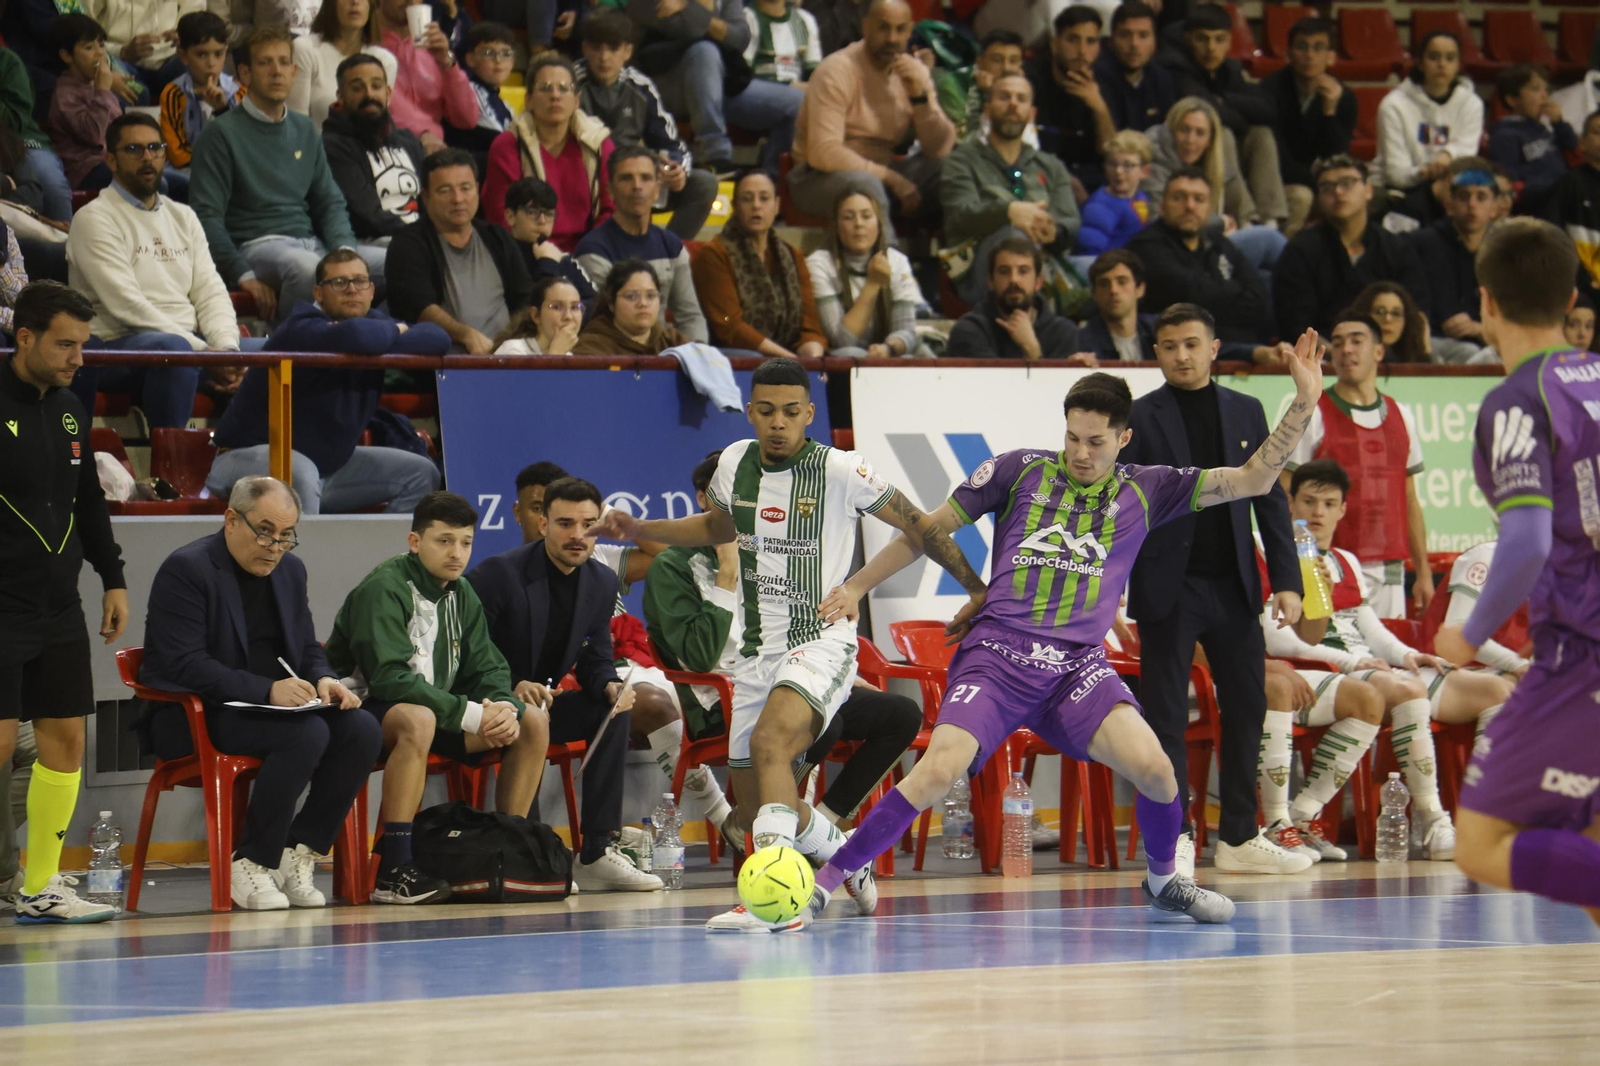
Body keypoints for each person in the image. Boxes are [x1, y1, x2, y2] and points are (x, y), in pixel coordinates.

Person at [806, 340, 1327, 925]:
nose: (1081, 452)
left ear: (1123, 439)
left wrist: (1304, 401)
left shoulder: (1148, 488)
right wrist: (855, 587)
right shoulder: (1018, 469)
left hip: (1076, 669)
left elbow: (1255, 479)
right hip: (998, 654)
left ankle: (1164, 882)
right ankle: (829, 877)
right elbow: (924, 530)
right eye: (1073, 438)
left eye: (1096, 442)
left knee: (1157, 769)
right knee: (938, 768)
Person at [586, 356, 989, 931]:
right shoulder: (731, 463)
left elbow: (922, 526)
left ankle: (773, 906)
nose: (778, 423)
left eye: (791, 413)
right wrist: (641, 529)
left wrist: (972, 588)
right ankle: (845, 853)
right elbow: (718, 530)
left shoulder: (842, 470)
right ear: (751, 412)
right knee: (759, 809)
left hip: (821, 638)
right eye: (767, 411)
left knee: (775, 740)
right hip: (755, 652)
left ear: (809, 414)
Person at [1429, 217, 1600, 918]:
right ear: (1569, 301)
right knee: (1585, 841)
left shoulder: (1519, 401)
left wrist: (1467, 637)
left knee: (1480, 844)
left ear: (1487, 303)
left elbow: (1525, 543)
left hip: (1580, 655)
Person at [643, 450, 920, 856]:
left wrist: (835, 675)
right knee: (823, 721)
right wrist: (727, 573)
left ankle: (820, 829)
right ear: (708, 500)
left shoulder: (778, 554)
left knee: (900, 714)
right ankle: (778, 829)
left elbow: (811, 627)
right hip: (722, 695)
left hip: (790, 672)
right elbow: (700, 657)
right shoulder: (672, 566)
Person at [1117, 302, 1310, 875]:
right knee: (1167, 717)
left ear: (1214, 348)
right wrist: (1111, 591)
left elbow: (1271, 500)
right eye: (1170, 346)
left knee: (1248, 707)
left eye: (1192, 344)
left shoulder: (1246, 409)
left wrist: (1289, 581)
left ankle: (1238, 837)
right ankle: (1173, 837)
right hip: (1166, 588)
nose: (1181, 355)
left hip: (1234, 585)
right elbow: (1121, 509)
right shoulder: (1140, 417)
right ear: (1156, 353)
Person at [140, 477, 383, 910]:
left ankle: (299, 851)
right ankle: (250, 860)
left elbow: (308, 646)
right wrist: (266, 689)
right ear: (231, 519)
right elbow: (184, 664)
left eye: (286, 535)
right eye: (265, 531)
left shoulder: (291, 570)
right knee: (306, 734)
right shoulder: (188, 569)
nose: (274, 545)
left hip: (276, 709)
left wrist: (324, 678)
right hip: (199, 712)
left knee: (362, 728)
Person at [1267, 456, 1516, 862]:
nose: (1318, 512)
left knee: (1496, 689)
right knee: (1406, 688)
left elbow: (1369, 627)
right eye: (1309, 501)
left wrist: (1409, 653)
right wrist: (1353, 664)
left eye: (1329, 504)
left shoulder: (1345, 561)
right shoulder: (1273, 552)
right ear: (1290, 503)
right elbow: (1278, 638)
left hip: (1369, 665)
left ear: (1342, 510)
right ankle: (1435, 821)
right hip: (1326, 669)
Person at [326, 491, 544, 904]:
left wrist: (502, 707)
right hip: (364, 710)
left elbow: (490, 668)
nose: (456, 553)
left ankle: (507, 852)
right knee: (418, 719)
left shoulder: (462, 593)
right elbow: (388, 679)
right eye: (444, 541)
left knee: (532, 720)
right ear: (415, 542)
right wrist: (468, 713)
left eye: (465, 542)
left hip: (437, 708)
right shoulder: (383, 587)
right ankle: (395, 869)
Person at [0, 281, 129, 924]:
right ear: (24, 337)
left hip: (58, 608)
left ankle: (41, 885)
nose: (79, 357)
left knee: (67, 743)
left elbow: (89, 502)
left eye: (84, 345)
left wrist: (112, 576)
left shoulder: (74, 409)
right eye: (66, 344)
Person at [467, 477, 664, 891]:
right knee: (532, 720)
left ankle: (596, 849)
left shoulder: (601, 581)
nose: (578, 535)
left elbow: (595, 659)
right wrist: (512, 685)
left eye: (588, 524)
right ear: (542, 525)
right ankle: (534, 849)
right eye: (565, 524)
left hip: (543, 706)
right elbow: (466, 652)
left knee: (610, 711)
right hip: (488, 706)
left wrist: (610, 684)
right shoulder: (498, 575)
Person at [209, 248, 449, 513]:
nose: (351, 289)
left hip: (325, 468)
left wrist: (385, 332)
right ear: (318, 293)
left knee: (420, 473)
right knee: (301, 471)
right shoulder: (302, 327)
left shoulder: (373, 326)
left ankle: (386, 555)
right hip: (243, 459)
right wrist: (397, 329)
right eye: (339, 282)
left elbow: (437, 338)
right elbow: (360, 337)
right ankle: (302, 555)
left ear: (371, 291)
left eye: (360, 281)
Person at [191, 27, 388, 325]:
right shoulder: (219, 134)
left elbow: (329, 201)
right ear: (244, 73)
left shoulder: (305, 128)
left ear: (295, 71)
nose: (277, 72)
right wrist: (241, 273)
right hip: (258, 245)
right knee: (307, 269)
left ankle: (376, 351)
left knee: (396, 262)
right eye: (265, 63)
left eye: (284, 62)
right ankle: (294, 359)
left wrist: (346, 255)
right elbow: (206, 217)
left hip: (312, 242)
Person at [66, 112, 240, 431]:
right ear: (111, 160)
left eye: (155, 148)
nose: (147, 158)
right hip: (117, 346)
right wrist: (203, 353)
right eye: (134, 150)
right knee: (175, 350)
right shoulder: (94, 218)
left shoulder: (183, 216)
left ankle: (246, 466)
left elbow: (210, 290)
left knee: (270, 355)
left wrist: (227, 349)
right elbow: (127, 306)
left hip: (189, 345)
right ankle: (168, 470)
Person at [1282, 309, 1433, 618]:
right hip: (1328, 564)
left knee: (1391, 659)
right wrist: (1300, 563)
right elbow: (1286, 495)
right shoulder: (1310, 409)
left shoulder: (1402, 414)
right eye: (1337, 342)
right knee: (1339, 655)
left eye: (1356, 340)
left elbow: (1409, 499)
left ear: (1379, 350)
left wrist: (1424, 573)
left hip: (1389, 569)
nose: (1346, 349)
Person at [787, 0, 955, 227]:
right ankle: (886, 261)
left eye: (900, 29)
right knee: (867, 186)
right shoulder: (836, 70)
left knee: (955, 169)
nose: (892, 39)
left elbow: (939, 148)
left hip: (883, 170)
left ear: (910, 32)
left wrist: (920, 100)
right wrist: (891, 179)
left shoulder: (914, 72)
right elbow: (823, 152)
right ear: (865, 27)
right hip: (818, 177)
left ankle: (956, 260)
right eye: (883, 28)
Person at [941, 72, 1081, 309]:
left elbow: (1071, 220)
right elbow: (959, 215)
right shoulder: (961, 161)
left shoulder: (1051, 165)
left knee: (1109, 270)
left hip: (1047, 262)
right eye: (1004, 97)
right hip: (982, 269)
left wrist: (1053, 231)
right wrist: (1009, 213)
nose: (1013, 104)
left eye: (1021, 98)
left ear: (1032, 113)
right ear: (987, 109)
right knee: (1014, 240)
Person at [574, 12, 716, 241]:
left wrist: (677, 170)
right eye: (596, 48)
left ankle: (666, 249)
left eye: (612, 48)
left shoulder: (640, 87)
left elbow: (671, 144)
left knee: (703, 185)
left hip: (632, 178)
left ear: (627, 51)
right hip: (586, 181)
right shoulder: (569, 83)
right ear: (584, 49)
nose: (603, 57)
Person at [622, 0, 800, 175]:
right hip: (663, 88)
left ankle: (770, 181)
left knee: (796, 103)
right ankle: (715, 155)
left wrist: (687, 6)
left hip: (721, 84)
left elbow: (740, 39)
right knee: (704, 51)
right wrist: (712, 20)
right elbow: (688, 30)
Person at [386, 148, 533, 353]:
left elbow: (525, 299)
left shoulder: (497, 237)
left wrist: (511, 344)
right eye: (445, 190)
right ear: (426, 197)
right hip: (443, 363)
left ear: (478, 189)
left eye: (465, 188)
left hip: (507, 356)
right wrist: (466, 335)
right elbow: (418, 308)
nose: (458, 199)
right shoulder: (408, 244)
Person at [1272, 154, 1428, 341]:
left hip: (1389, 352)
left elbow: (1415, 313)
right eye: (1327, 187)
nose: (1338, 192)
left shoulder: (1396, 248)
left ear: (1369, 191)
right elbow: (1295, 324)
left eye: (1347, 183)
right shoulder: (1300, 250)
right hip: (1324, 355)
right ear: (1318, 198)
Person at [1126, 166, 1273, 347]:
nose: (1190, 206)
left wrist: (1213, 294)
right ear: (1162, 206)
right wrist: (1231, 291)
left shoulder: (1219, 244)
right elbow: (1191, 295)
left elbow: (1259, 302)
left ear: (1210, 209)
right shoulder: (1146, 247)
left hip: (1239, 348)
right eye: (1179, 198)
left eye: (1199, 199)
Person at [482, 54, 614, 255]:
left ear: (576, 101)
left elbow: (611, 208)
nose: (555, 96)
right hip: (526, 252)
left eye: (563, 88)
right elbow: (501, 215)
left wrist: (591, 251)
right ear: (528, 100)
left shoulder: (598, 143)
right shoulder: (508, 145)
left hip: (591, 252)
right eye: (545, 88)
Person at [573, 145, 707, 342]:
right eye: (626, 178)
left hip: (667, 355)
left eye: (645, 178)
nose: (637, 186)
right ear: (610, 190)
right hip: (618, 358)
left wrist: (696, 357)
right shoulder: (593, 249)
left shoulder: (672, 246)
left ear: (657, 190)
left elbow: (690, 316)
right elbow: (608, 323)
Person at [1167, 2, 1285, 227]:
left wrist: (1225, 101)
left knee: (1261, 134)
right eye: (1202, 39)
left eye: (1219, 40)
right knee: (1223, 133)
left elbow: (1269, 110)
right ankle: (1246, 219)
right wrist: (1232, 112)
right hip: (1189, 154)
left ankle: (1270, 218)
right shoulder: (1176, 68)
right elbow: (1212, 114)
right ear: (1187, 38)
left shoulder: (1230, 68)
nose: (1211, 48)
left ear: (1229, 42)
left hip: (1232, 154)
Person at [1141, 97, 1285, 278]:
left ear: (1210, 140)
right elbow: (1161, 220)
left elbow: (1234, 202)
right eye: (1184, 130)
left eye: (1199, 133)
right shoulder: (1153, 163)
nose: (1190, 140)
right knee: (1268, 239)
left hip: (1206, 244)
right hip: (1175, 253)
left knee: (1265, 277)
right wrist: (1219, 223)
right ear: (1171, 130)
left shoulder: (1211, 162)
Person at [690, 170, 825, 359]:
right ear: (734, 206)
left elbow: (810, 326)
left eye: (764, 198)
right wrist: (790, 360)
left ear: (777, 205)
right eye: (747, 199)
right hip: (733, 355)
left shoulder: (793, 256)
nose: (756, 206)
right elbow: (730, 328)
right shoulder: (714, 255)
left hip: (787, 356)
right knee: (754, 358)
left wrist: (812, 358)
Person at [1374, 30, 1484, 225]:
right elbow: (1396, 174)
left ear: (1458, 64)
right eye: (1434, 57)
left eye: (1450, 58)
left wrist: (1448, 155)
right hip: (1401, 189)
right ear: (1419, 62)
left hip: (1450, 188)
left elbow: (1467, 157)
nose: (1442, 64)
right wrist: (1424, 172)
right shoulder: (1393, 105)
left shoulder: (1472, 103)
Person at [1260, 16, 1354, 237]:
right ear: (1289, 53)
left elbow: (1338, 156)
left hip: (1322, 183)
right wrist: (1319, 184)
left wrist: (1329, 112)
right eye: (1302, 47)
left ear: (1331, 57)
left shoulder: (1344, 97)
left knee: (1354, 196)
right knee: (1302, 197)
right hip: (1280, 183)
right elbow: (1277, 157)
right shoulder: (1270, 90)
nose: (1310, 55)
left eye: (1318, 48)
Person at [806, 189, 925, 358]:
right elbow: (841, 340)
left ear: (879, 223)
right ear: (836, 225)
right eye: (848, 217)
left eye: (866, 216)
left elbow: (905, 329)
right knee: (851, 353)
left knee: (911, 358)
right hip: (840, 358)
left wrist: (887, 349)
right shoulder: (819, 264)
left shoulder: (897, 261)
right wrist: (873, 284)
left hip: (885, 352)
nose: (859, 224)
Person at [322, 53, 425, 242]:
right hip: (375, 240)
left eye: (376, 86)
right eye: (357, 88)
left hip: (420, 236)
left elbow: (430, 196)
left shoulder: (408, 141)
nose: (369, 94)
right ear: (340, 97)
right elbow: (366, 213)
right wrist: (420, 235)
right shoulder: (333, 146)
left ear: (388, 92)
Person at [1410, 164, 1501, 365]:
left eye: (1481, 197)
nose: (1472, 205)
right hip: (1434, 342)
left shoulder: (1506, 250)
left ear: (1495, 207)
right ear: (1449, 205)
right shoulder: (1422, 243)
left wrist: (1480, 329)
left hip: (1488, 344)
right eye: (1464, 196)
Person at [945, 236, 1080, 360]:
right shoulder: (969, 330)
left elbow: (1059, 387)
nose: (1014, 279)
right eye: (1004, 272)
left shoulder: (1064, 333)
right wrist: (1031, 351)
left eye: (1023, 271)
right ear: (991, 281)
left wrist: (1032, 348)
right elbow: (993, 385)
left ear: (1038, 282)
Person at [1026, 6, 1113, 196]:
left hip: (1092, 179)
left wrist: (1100, 109)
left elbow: (1109, 152)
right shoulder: (1030, 81)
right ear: (1055, 43)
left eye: (1090, 41)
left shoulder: (1105, 81)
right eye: (1073, 40)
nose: (1082, 51)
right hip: (1038, 178)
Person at [1419, 540, 1530, 680]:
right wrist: (1521, 666)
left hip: (1502, 672)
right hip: (1447, 670)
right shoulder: (1488, 556)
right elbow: (1460, 635)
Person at [374, 0, 477, 151]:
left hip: (434, 151)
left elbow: (467, 118)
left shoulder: (434, 48)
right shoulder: (366, 44)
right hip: (385, 147)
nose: (411, 1)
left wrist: (448, 63)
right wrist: (419, 136)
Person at [288, 0, 397, 130]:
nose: (355, 2)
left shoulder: (385, 60)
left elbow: (378, 124)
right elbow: (296, 123)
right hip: (318, 147)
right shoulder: (305, 49)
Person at [47, 14, 125, 191]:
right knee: (146, 182)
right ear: (67, 56)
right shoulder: (64, 95)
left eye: (102, 45)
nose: (100, 53)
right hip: (86, 171)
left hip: (114, 159)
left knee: (181, 185)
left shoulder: (98, 84)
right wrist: (103, 91)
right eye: (89, 47)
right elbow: (94, 135)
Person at [1486, 63, 1575, 219]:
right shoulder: (1504, 136)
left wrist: (1559, 123)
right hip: (1536, 208)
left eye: (1545, 89)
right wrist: (1555, 188)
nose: (1544, 96)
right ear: (1513, 100)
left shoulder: (1544, 128)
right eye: (1535, 89)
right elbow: (1511, 184)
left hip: (1562, 199)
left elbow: (1572, 146)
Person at [157, 12, 243, 172]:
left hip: (230, 171)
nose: (211, 63)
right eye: (201, 54)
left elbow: (242, 148)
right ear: (183, 56)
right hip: (189, 171)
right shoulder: (173, 94)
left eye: (218, 54)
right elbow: (178, 155)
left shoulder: (239, 92)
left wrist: (222, 111)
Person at [0, 45, 73, 223]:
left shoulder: (7, 61)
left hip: (17, 140)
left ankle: (64, 244)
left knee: (49, 182)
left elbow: (16, 120)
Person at [571, 257, 691, 355]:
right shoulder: (591, 348)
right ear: (612, 303)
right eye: (631, 296)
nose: (643, 303)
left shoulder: (674, 342)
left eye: (650, 296)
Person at [502, 175, 595, 300]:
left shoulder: (558, 256)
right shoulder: (501, 257)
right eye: (532, 212)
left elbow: (593, 304)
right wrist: (548, 264)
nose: (542, 221)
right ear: (510, 216)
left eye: (549, 214)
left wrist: (574, 309)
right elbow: (533, 308)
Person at [443, 22, 515, 176]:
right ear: (470, 59)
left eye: (506, 54)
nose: (498, 60)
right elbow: (498, 138)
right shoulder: (470, 90)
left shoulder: (503, 105)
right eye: (489, 52)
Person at [1093, 1, 1176, 134]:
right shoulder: (1095, 78)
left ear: (1154, 41)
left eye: (1143, 35)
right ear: (1111, 40)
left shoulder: (1162, 79)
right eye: (1125, 35)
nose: (1134, 44)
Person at [1546, 110, 1600, 295]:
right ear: (1582, 143)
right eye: (1597, 132)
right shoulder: (1569, 182)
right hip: (1580, 289)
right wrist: (1582, 280)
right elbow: (1553, 236)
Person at [1076, 129, 1152, 256]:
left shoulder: (1141, 198)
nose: (1118, 171)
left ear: (1144, 171)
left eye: (1128, 165)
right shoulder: (1099, 207)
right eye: (1113, 164)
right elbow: (1088, 256)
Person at [950, 28, 1026, 142]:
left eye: (1013, 61)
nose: (1006, 68)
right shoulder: (954, 84)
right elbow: (961, 141)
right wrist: (988, 96)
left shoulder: (1023, 89)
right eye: (997, 60)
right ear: (980, 62)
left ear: (1021, 65)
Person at [1078, 248, 1152, 363]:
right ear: (1094, 294)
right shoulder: (1082, 343)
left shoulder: (1158, 333)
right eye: (1104, 284)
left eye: (1122, 282)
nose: (1113, 290)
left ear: (1140, 289)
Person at [495, 274, 583, 354]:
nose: (568, 316)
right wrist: (556, 355)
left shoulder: (568, 356)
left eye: (574, 307)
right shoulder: (512, 350)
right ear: (536, 315)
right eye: (556, 307)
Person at [744, 0, 822, 91]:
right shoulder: (748, 17)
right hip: (760, 88)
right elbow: (742, 73)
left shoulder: (805, 19)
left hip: (798, 89)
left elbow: (813, 70)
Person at [1350, 280, 1431, 365]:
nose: (1388, 319)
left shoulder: (1411, 361)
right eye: (1380, 312)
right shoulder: (1347, 359)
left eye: (1396, 314)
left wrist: (1425, 348)